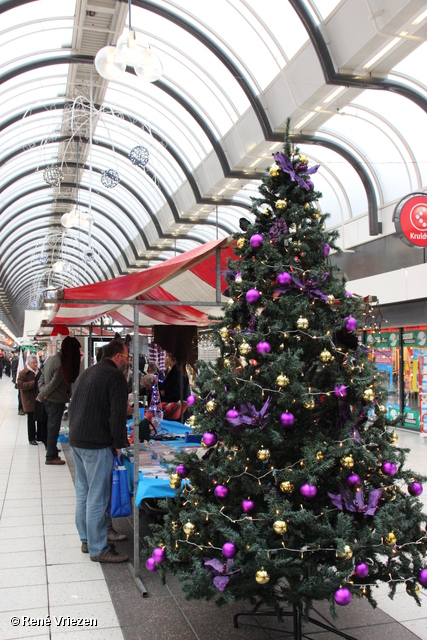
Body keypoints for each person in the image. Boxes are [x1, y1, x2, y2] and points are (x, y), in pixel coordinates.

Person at [68, 339, 130, 564]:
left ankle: (87, 539)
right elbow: (117, 415)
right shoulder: (114, 376)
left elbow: (76, 404)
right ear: (117, 357)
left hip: (78, 439)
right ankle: (98, 548)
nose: (127, 362)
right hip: (96, 443)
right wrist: (118, 443)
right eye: (126, 357)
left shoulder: (89, 372)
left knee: (84, 493)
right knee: (97, 496)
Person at [37, 336, 81, 465]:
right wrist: (42, 395)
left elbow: (41, 379)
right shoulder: (63, 365)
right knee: (53, 427)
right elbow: (53, 384)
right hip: (56, 400)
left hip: (49, 399)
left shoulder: (51, 359)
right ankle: (51, 456)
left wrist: (42, 392)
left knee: (51, 426)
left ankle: (51, 451)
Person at [17, 353, 39, 445]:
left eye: (36, 362)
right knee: (31, 419)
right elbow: (20, 385)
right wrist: (33, 383)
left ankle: (39, 435)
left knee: (39, 418)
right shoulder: (23, 373)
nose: (35, 364)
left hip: (38, 398)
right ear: (29, 363)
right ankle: (31, 438)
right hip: (29, 399)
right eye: (33, 363)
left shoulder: (38, 371)